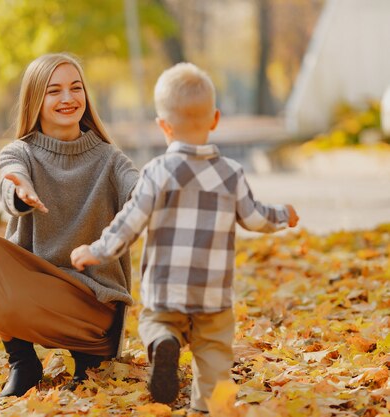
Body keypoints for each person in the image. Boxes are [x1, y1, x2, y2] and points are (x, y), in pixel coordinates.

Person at [71, 62, 299, 411]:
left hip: (166, 292)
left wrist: (97, 250)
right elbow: (254, 219)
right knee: (214, 360)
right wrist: (283, 214)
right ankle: (205, 408)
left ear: (164, 126)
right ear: (215, 119)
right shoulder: (231, 174)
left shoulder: (157, 172)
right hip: (214, 297)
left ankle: (164, 341)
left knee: (155, 324)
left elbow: (130, 222)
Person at [0, 53, 139, 397]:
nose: (68, 99)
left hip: (92, 306)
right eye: (54, 91)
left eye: (76, 88)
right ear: (35, 100)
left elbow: (140, 189)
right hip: (37, 290)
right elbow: (11, 178)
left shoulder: (111, 160)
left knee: (13, 292)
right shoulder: (20, 152)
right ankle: (23, 363)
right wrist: (21, 191)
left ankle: (90, 359)